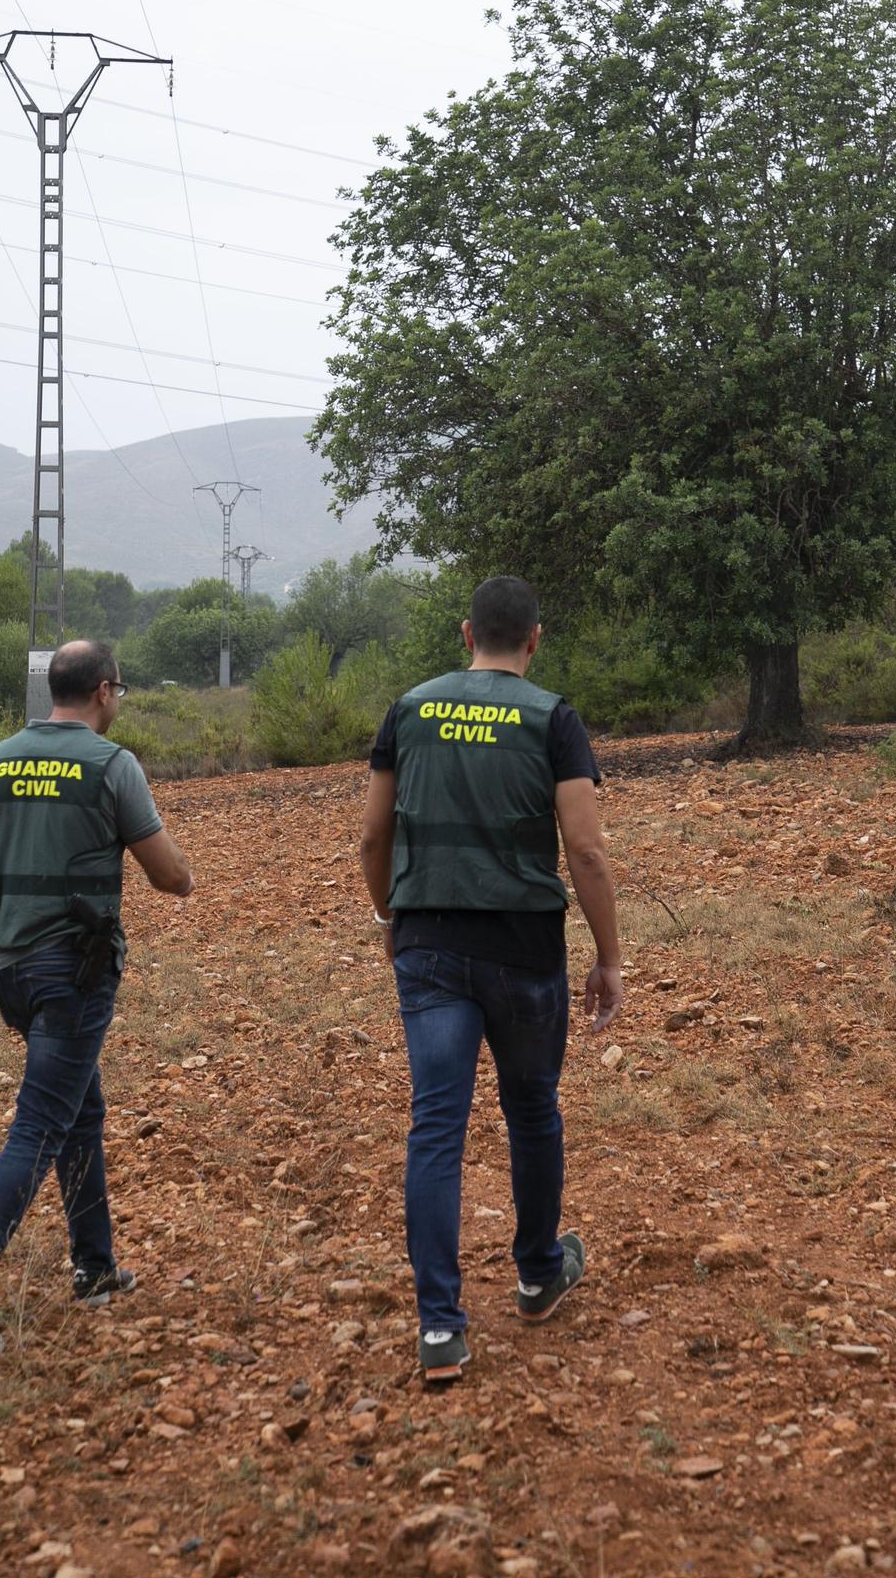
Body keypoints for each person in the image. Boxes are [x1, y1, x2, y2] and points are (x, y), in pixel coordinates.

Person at [359, 575, 623, 1385]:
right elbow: (583, 849)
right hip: (523, 948)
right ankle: (539, 1272)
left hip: (429, 943)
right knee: (531, 1109)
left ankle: (439, 1328)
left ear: (465, 633)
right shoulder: (552, 718)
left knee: (436, 1127)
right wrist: (608, 956)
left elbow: (371, 837)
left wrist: (388, 920)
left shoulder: (408, 710)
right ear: (533, 640)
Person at [0, 640, 194, 1364]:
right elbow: (169, 877)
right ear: (104, 691)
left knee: (79, 1107)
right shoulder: (112, 765)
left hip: (8, 973)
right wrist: (184, 874)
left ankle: (94, 1267)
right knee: (39, 1127)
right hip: (72, 974)